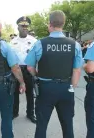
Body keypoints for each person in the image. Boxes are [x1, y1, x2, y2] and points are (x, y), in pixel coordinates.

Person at [25, 10, 82, 138]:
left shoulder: (40, 43)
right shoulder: (75, 45)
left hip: (45, 88)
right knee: (67, 125)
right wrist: (71, 86)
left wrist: (38, 75)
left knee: (41, 125)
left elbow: (29, 67)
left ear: (50, 23)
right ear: (64, 23)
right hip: (66, 88)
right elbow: (77, 70)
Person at [10, 16, 37, 123]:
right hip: (16, 69)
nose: (25, 28)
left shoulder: (34, 41)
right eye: (22, 26)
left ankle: (30, 113)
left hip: (29, 69)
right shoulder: (12, 42)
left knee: (30, 93)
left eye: (26, 26)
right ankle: (14, 112)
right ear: (18, 27)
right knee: (15, 92)